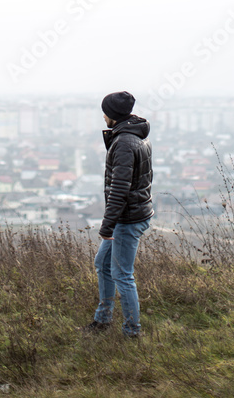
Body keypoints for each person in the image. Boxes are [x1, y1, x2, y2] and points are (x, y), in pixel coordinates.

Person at [82, 91, 153, 339]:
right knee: (103, 264)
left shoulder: (124, 143)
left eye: (105, 112)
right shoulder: (135, 135)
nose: (103, 116)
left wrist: (107, 226)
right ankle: (103, 319)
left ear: (112, 115)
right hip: (133, 212)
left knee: (122, 274)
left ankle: (132, 332)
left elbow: (119, 189)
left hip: (128, 217)